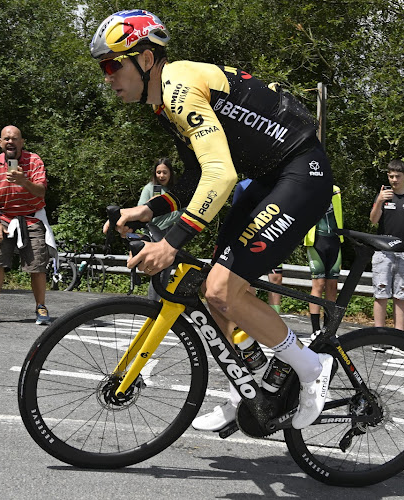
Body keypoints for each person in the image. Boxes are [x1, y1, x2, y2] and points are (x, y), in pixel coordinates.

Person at [93, 10, 334, 432]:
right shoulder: (165, 102)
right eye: (104, 67)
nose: (108, 76)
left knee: (224, 287)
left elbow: (221, 176)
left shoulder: (179, 90)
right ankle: (251, 384)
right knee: (209, 291)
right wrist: (149, 210)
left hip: (300, 172)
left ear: (146, 60)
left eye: (114, 64)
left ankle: (313, 368)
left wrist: (171, 243)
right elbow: (196, 175)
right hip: (268, 178)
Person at [0, 125, 55, 326]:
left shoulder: (34, 160)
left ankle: (41, 307)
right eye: (6, 139)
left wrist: (24, 181)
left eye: (14, 139)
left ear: (21, 142)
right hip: (4, 217)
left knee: (38, 265)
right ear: (0, 142)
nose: (10, 142)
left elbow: (41, 192)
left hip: (32, 217)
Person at [369, 159, 404, 335]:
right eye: (391, 176)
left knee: (401, 296)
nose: (394, 180)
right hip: (383, 253)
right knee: (381, 294)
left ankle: (399, 336)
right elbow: (373, 220)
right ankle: (379, 335)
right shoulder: (383, 196)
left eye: (398, 176)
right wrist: (379, 200)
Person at [232, 178, 283, 314]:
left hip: (272, 234)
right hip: (248, 237)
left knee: (276, 278)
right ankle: (248, 316)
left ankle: (274, 317)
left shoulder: (279, 183)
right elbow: (235, 214)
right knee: (246, 280)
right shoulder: (243, 185)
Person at [137, 157, 181, 300]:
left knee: (166, 268)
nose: (161, 176)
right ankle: (152, 303)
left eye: (165, 172)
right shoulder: (150, 188)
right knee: (158, 270)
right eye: (158, 172)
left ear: (170, 173)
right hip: (153, 231)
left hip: (169, 231)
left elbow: (182, 211)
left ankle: (160, 301)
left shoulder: (174, 190)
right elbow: (141, 211)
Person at [303, 185, 344, 335]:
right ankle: (315, 329)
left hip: (334, 240)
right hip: (316, 241)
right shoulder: (310, 187)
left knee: (332, 286)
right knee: (318, 284)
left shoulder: (335, 190)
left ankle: (328, 328)